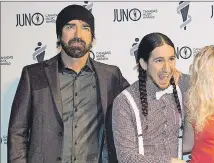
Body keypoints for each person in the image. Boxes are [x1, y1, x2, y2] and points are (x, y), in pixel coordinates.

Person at [7, 4, 129, 163]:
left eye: (85, 28)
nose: (78, 34)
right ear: (59, 34)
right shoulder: (34, 74)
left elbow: (137, 106)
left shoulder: (111, 76)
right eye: (70, 26)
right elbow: (18, 132)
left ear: (92, 36)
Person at [112, 32, 188, 163]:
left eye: (171, 59)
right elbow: (126, 158)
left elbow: (209, 79)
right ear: (143, 63)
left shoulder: (182, 85)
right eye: (159, 60)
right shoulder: (125, 101)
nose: (167, 68)